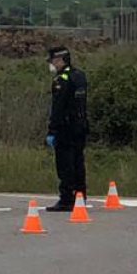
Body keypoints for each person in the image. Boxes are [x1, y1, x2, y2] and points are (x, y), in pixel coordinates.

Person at [45, 46, 88, 212]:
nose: (52, 65)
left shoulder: (61, 80)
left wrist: (52, 130)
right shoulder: (79, 76)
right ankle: (80, 196)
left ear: (60, 60)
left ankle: (66, 199)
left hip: (65, 128)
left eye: (53, 61)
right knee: (78, 162)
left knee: (65, 164)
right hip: (80, 126)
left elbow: (58, 108)